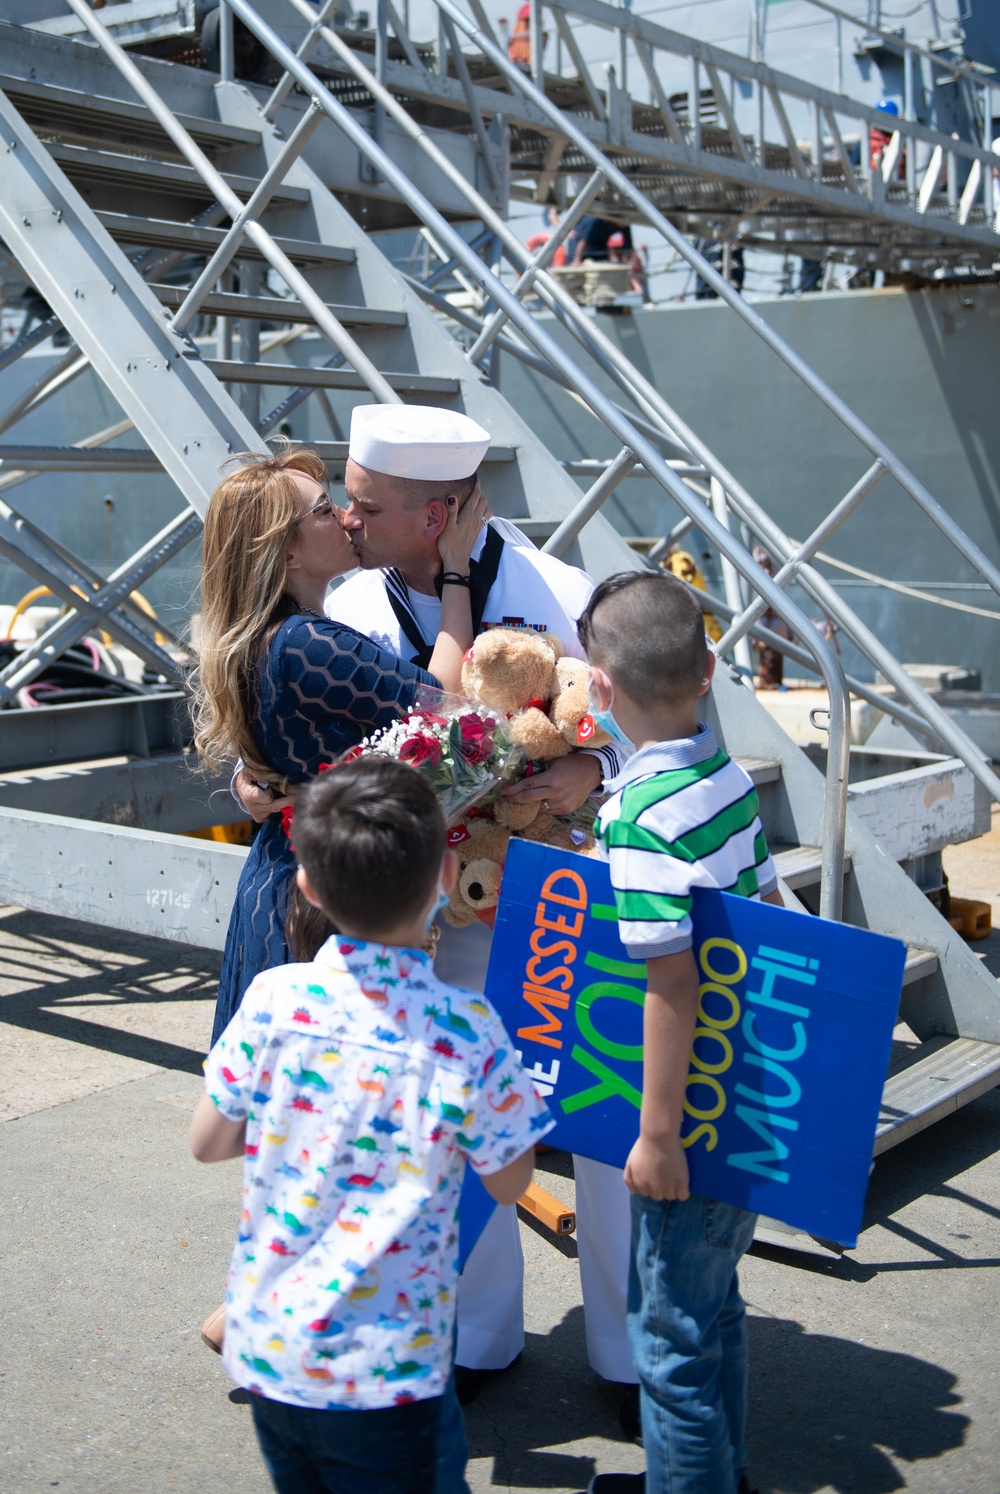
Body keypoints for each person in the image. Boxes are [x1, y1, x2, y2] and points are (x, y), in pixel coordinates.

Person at [233, 402, 636, 1407]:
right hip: (431, 919)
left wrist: (588, 766)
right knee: (450, 1125)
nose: (352, 523)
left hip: (563, 902)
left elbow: (640, 723)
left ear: (438, 513)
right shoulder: (348, 607)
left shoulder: (562, 589)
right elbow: (300, 732)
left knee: (593, 1120)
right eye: (348, 506)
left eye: (366, 507)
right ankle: (476, 1338)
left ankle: (627, 1356)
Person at [191, 755, 554, 1493]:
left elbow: (209, 1142)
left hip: (272, 1357)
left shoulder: (274, 999)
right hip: (389, 1373)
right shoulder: (466, 1030)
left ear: (308, 886)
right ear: (446, 884)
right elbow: (512, 1180)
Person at [577, 569, 782, 1494]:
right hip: (737, 1093)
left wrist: (656, 1138)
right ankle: (725, 1473)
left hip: (685, 1117)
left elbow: (671, 978)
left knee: (668, 1343)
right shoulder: (725, 775)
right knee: (714, 1309)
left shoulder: (637, 819)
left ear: (601, 691)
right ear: (707, 672)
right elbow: (774, 917)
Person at [193, 438, 488, 1050]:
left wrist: (257, 781)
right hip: (324, 892)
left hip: (280, 871)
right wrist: (455, 569)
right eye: (325, 511)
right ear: (287, 552)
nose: (347, 519)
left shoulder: (266, 636)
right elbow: (444, 703)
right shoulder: (311, 643)